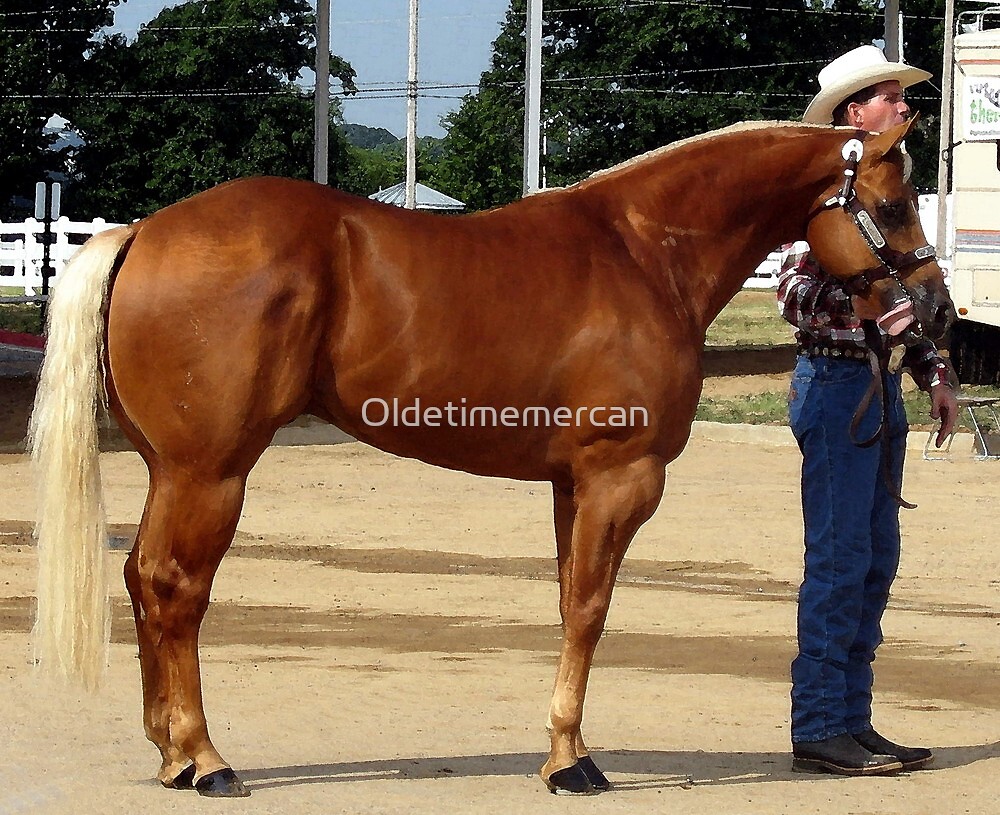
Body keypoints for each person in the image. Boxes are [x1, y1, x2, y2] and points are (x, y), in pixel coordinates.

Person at [780, 45, 959, 776]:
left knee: (873, 560)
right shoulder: (824, 201)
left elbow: (902, 308)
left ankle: (849, 717)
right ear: (857, 114)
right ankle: (822, 721)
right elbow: (793, 294)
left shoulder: (882, 195)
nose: (905, 108)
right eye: (891, 97)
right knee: (841, 559)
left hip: (871, 387)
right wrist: (865, 297)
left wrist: (933, 371)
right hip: (833, 383)